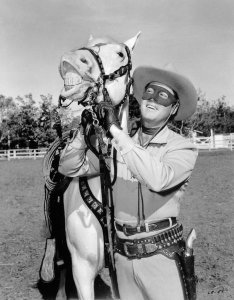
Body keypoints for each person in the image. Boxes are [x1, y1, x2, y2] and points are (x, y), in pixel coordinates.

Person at [58, 66, 198, 300]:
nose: (153, 99)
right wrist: (82, 136)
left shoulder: (182, 147)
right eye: (149, 93)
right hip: (121, 257)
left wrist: (115, 131)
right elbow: (71, 168)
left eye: (163, 97)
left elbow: (158, 179)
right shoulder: (117, 146)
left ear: (174, 108)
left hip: (161, 255)